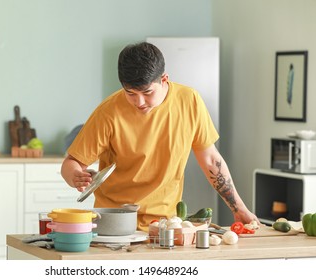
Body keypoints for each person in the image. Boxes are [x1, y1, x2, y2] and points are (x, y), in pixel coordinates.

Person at [61, 41, 259, 231]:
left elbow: (210, 160)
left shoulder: (189, 101)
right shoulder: (108, 112)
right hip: (114, 223)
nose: (139, 101)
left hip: (165, 225)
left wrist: (238, 208)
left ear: (164, 79)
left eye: (147, 92)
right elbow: (71, 163)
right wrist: (75, 176)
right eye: (130, 93)